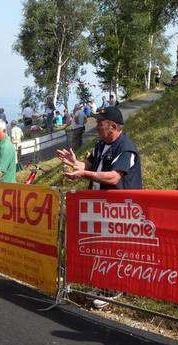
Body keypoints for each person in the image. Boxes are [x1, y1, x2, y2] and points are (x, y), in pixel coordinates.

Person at [56, 106, 141, 309]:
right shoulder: (101, 143)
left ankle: (115, 288)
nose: (96, 127)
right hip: (100, 206)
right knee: (102, 247)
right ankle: (103, 285)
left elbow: (114, 176)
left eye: (100, 124)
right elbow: (90, 164)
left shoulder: (126, 146)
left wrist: (84, 174)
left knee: (116, 248)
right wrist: (76, 163)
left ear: (113, 126)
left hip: (120, 208)